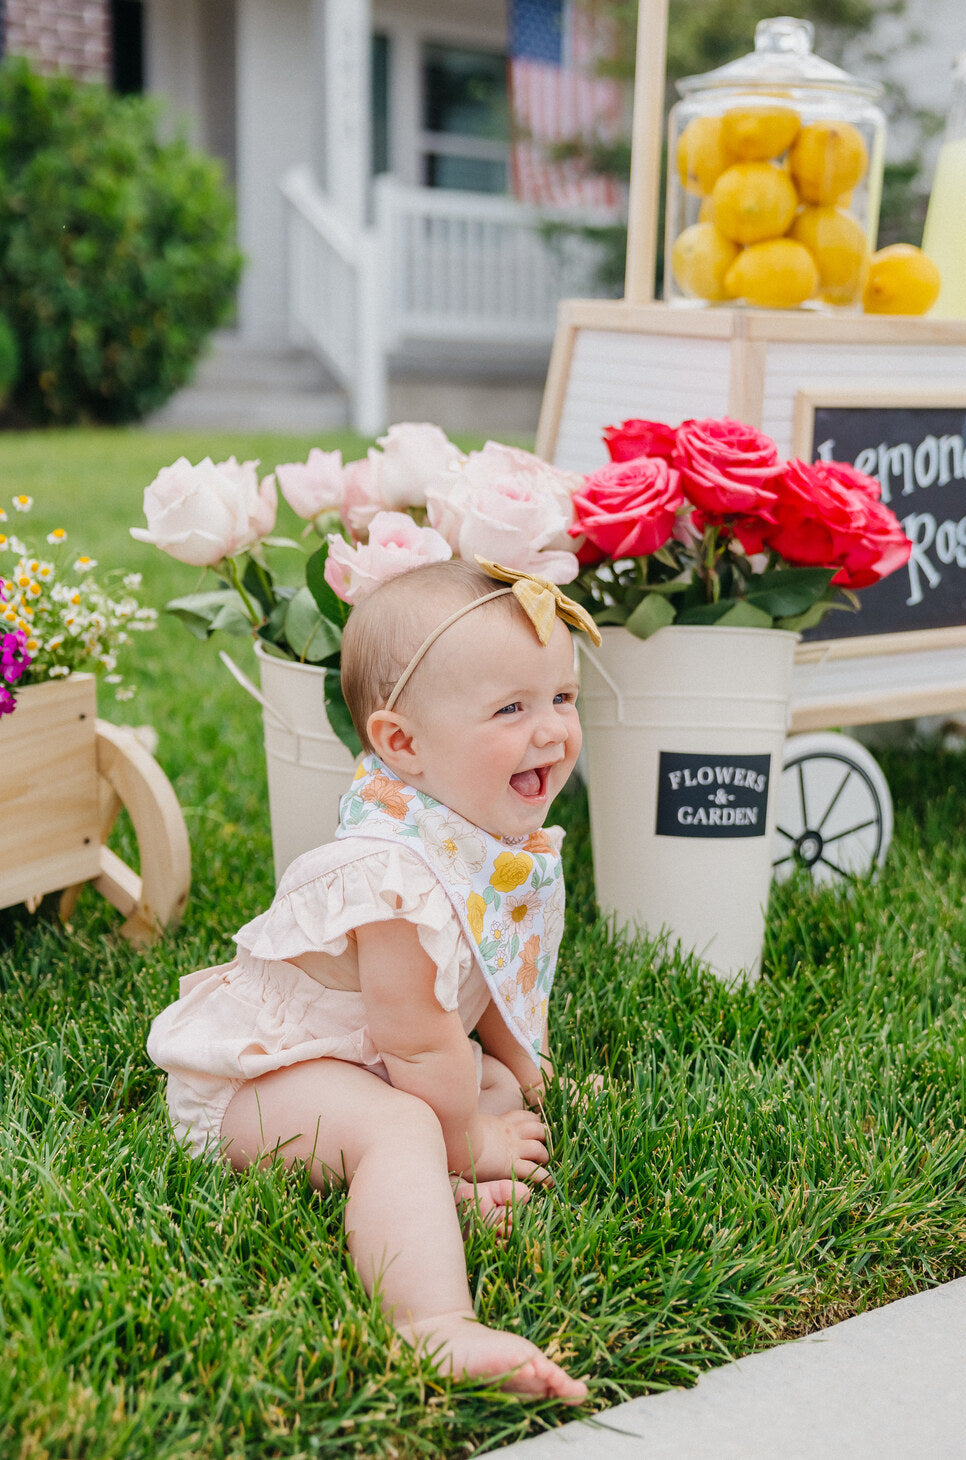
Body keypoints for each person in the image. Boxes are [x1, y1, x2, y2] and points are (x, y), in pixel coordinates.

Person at [147, 557, 601, 1402]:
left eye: (562, 699)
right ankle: (432, 1324)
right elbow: (418, 1043)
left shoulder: (477, 833)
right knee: (405, 1123)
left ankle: (431, 1193)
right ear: (402, 744)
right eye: (512, 708)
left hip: (352, 1060)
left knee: (488, 1081)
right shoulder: (395, 875)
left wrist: (532, 1080)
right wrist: (473, 1143)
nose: (551, 730)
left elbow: (489, 985)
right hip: (260, 1082)